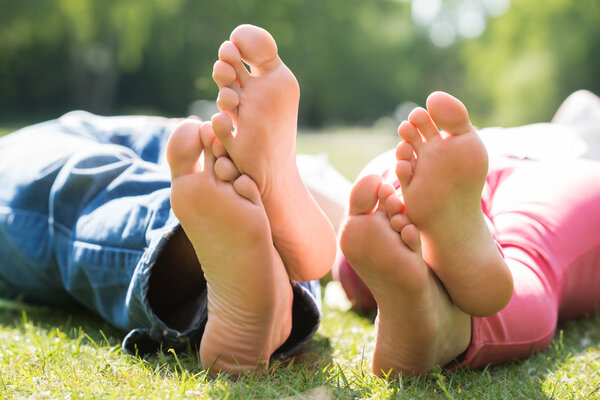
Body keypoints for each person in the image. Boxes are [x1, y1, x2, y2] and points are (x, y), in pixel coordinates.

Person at [0, 25, 337, 376]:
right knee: (235, 194)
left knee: (76, 181)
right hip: (206, 142)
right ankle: (270, 264)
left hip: (185, 143)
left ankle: (234, 245)